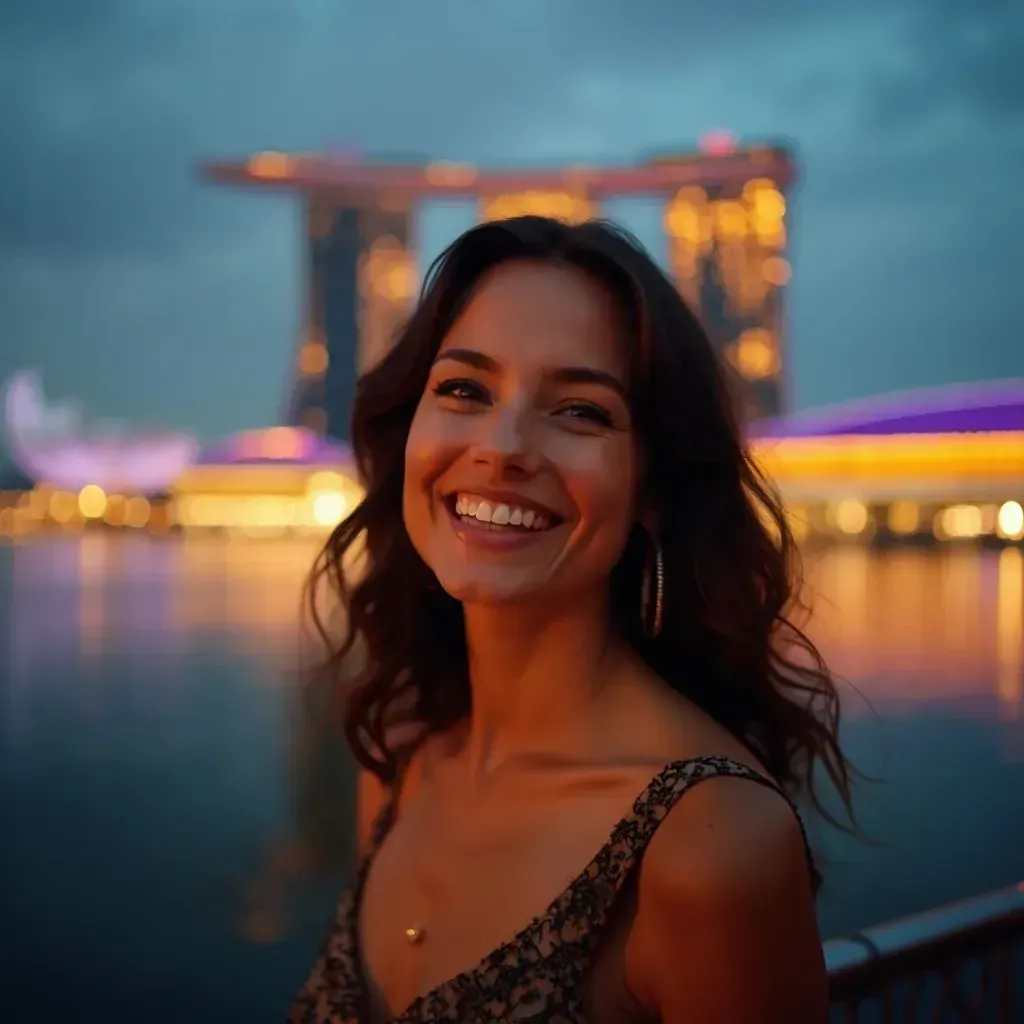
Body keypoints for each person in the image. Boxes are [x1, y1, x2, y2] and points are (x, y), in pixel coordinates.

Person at [288, 215, 854, 1024]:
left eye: (581, 411)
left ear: (654, 488)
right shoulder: (399, 755)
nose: (505, 445)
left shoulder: (709, 844)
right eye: (464, 389)